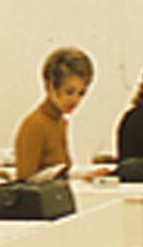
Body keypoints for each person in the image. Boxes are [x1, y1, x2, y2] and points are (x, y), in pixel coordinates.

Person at [14, 47, 94, 181]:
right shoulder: (35, 125)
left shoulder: (61, 123)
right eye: (69, 92)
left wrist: (85, 175)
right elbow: (25, 181)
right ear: (50, 87)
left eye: (81, 93)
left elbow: (63, 171)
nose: (76, 100)